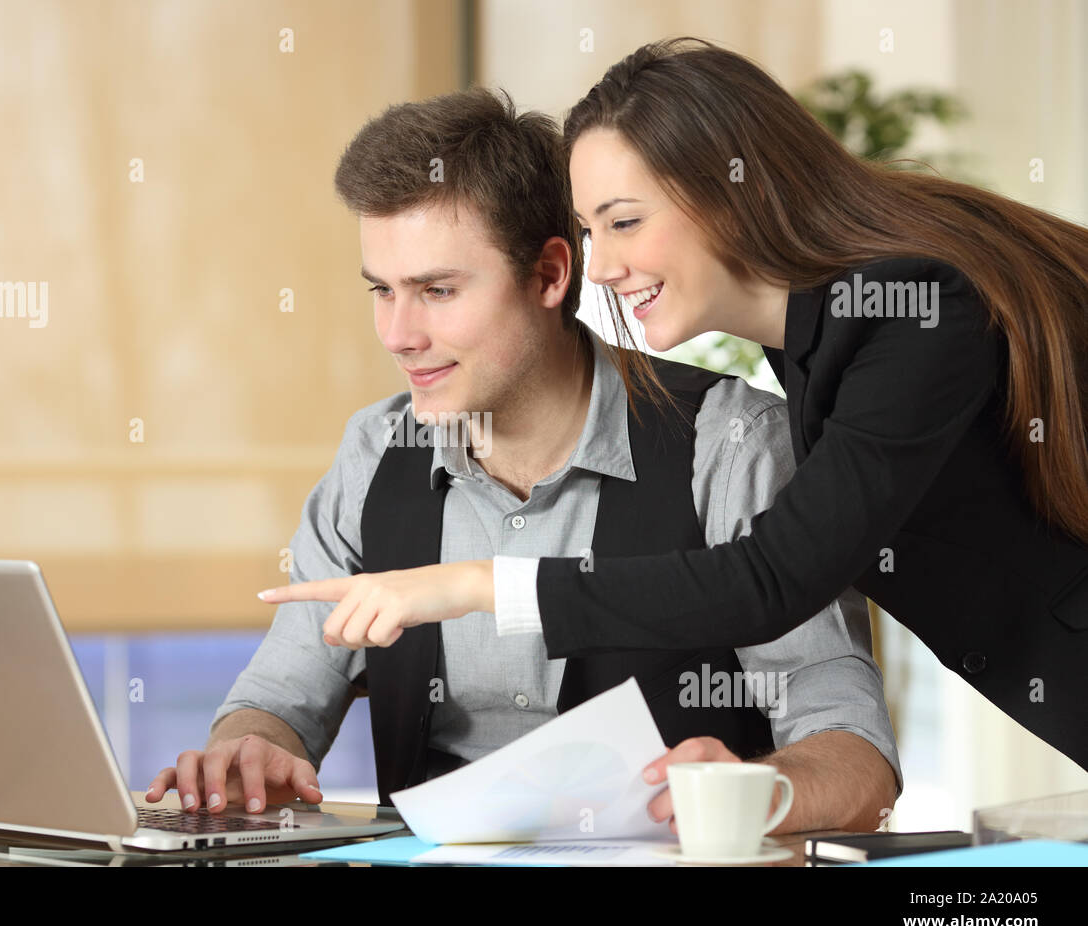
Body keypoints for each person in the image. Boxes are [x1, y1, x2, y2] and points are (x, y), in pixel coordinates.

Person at [263, 37, 1088, 772]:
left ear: (733, 192)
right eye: (592, 232)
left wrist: (482, 586)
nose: (604, 267)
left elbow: (770, 579)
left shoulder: (905, 314)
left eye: (625, 222)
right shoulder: (817, 350)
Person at [149, 86, 901, 831]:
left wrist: (752, 791)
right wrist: (248, 751)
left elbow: (856, 761)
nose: (398, 334)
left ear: (550, 274)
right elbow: (281, 698)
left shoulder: (731, 445)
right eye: (382, 290)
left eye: (437, 290)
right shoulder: (374, 454)